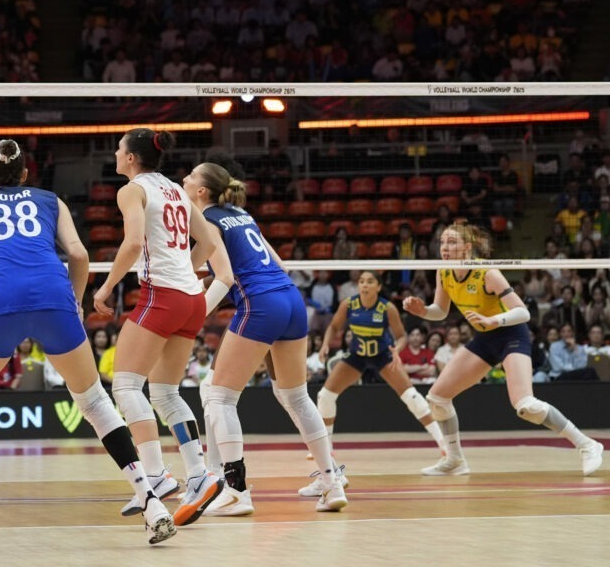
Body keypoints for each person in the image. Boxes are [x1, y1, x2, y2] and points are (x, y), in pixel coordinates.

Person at [0, 139, 177, 552]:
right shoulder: (51, 200)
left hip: (2, 302)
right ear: (25, 175)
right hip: (54, 296)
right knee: (95, 402)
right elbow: (79, 255)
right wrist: (74, 301)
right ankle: (152, 502)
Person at [186, 161, 348, 516]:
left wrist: (194, 315)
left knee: (219, 397)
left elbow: (225, 278)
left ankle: (236, 491)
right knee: (296, 396)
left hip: (261, 304)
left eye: (191, 176)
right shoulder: (242, 215)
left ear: (201, 191)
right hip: (291, 299)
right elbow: (279, 266)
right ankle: (331, 481)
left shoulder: (207, 220)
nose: (184, 178)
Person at [91, 129, 226, 527]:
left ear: (132, 158)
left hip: (162, 295)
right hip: (192, 299)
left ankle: (155, 475)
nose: (116, 154)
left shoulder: (132, 190)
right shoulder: (175, 189)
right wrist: (186, 269)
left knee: (126, 386)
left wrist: (106, 287)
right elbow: (209, 241)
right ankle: (199, 475)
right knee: (166, 392)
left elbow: (133, 244)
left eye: (119, 149)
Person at [403, 223, 603, 476]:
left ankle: (587, 445)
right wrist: (423, 311)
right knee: (437, 398)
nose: (445, 247)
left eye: (452, 242)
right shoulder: (443, 272)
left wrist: (494, 321)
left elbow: (523, 312)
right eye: (442, 242)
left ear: (467, 247)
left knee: (526, 405)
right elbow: (440, 311)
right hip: (485, 338)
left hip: (511, 334)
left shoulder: (487, 273)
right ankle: (455, 460)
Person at [310, 270, 448, 496]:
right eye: (361, 281)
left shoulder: (387, 308)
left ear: (378, 287)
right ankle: (328, 449)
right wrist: (326, 344)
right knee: (325, 396)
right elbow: (334, 327)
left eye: (370, 281)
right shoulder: (349, 304)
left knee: (411, 396)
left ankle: (444, 445)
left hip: (383, 355)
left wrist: (397, 350)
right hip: (357, 356)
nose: (364, 285)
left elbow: (401, 336)